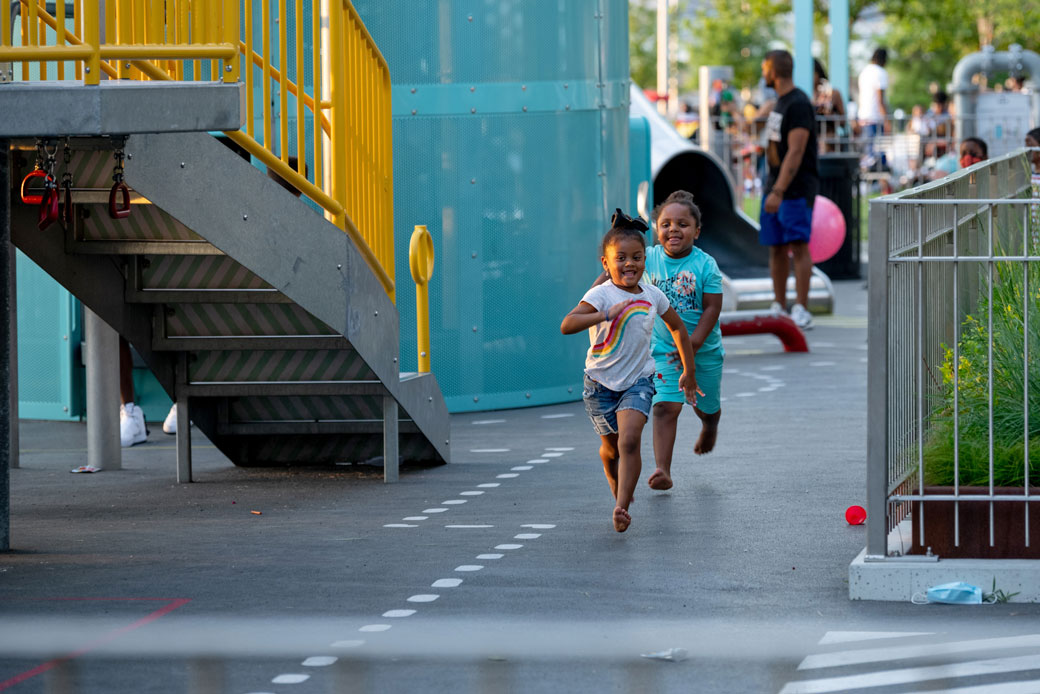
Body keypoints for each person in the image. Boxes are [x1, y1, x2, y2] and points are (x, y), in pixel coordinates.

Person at [561, 209, 697, 533]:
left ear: (644, 261)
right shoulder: (601, 294)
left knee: (630, 441)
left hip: (638, 381)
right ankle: (614, 477)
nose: (630, 264)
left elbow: (678, 328)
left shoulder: (652, 296)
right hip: (599, 385)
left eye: (636, 257)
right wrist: (605, 313)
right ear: (606, 265)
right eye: (620, 258)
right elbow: (567, 324)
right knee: (611, 448)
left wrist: (689, 372)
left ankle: (621, 507)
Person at [643, 191, 724, 491]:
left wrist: (693, 345)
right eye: (666, 224)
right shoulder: (649, 258)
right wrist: (591, 300)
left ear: (697, 231)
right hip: (665, 351)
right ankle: (663, 469)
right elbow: (614, 271)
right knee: (665, 407)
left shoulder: (705, 265)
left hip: (703, 351)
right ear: (656, 229)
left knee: (705, 406)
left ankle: (710, 424)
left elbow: (713, 308)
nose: (673, 229)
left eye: (682, 224)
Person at [759, 49, 818, 330]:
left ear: (772, 69)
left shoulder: (798, 103)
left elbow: (795, 152)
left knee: (798, 246)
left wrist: (779, 190)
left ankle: (801, 309)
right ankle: (779, 305)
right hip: (773, 187)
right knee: (776, 248)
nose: (762, 74)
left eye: (764, 68)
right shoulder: (779, 103)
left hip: (793, 190)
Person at [857, 48, 890, 168]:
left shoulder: (864, 72)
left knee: (869, 153)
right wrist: (886, 120)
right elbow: (880, 99)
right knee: (877, 158)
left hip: (863, 117)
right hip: (875, 118)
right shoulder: (880, 72)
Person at [813, 59, 846, 152]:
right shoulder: (805, 96)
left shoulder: (833, 93)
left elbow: (843, 121)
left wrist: (829, 114)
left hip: (829, 141)